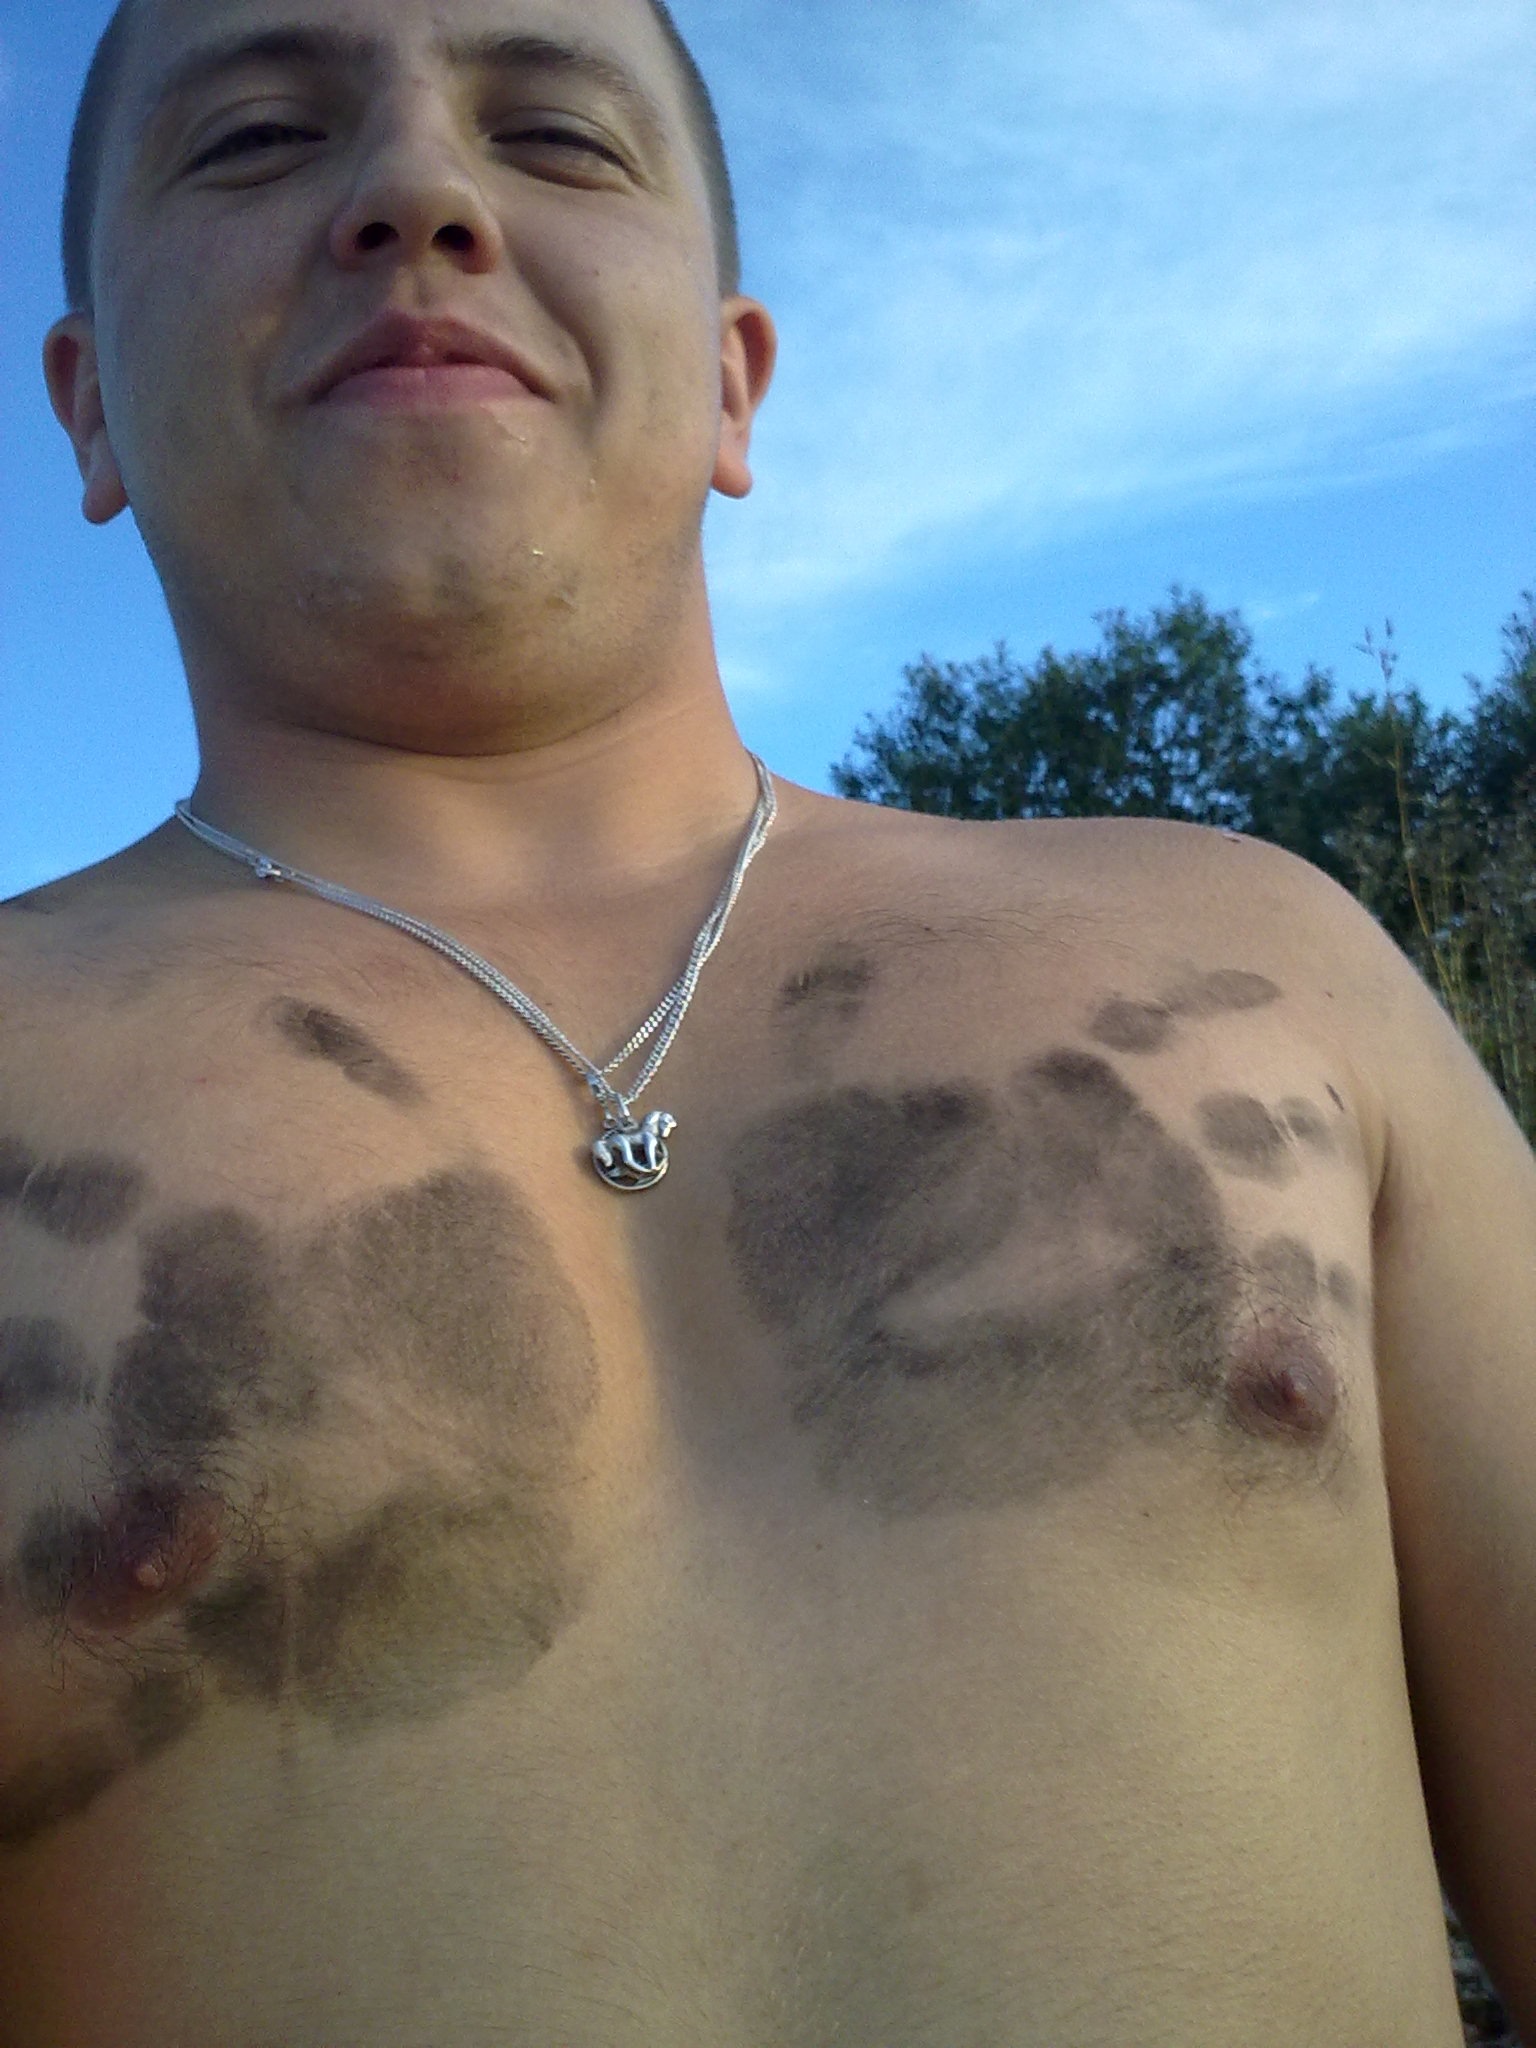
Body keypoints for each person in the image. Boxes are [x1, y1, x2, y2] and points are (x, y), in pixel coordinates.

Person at [2, 0, 1533, 2038]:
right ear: (88, 411)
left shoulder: (1263, 961)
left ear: (733, 381)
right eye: (258, 137)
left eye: (556, 135)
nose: (418, 190)